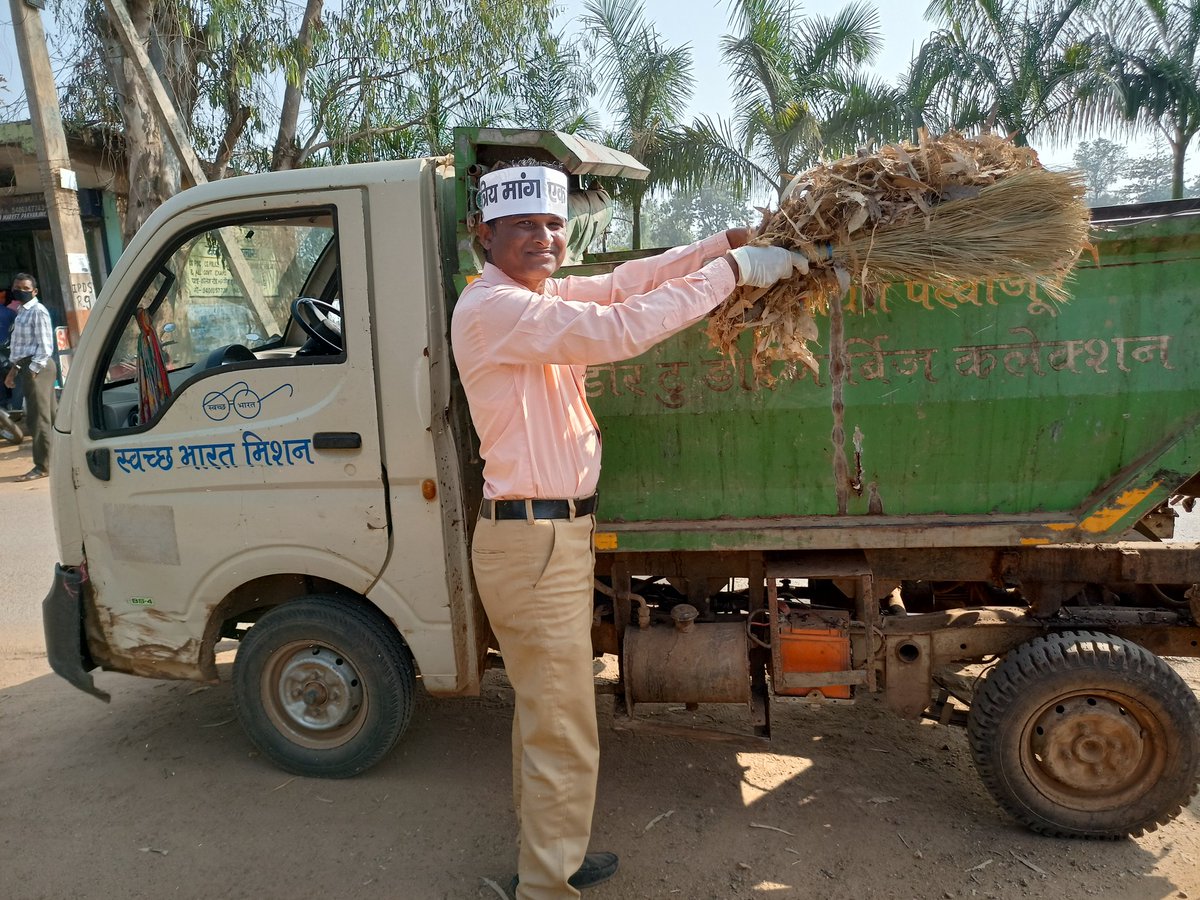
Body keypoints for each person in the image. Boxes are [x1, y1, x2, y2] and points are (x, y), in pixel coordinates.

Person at [450, 162, 805, 900]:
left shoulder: (535, 298)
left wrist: (719, 245)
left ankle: (553, 854)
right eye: (523, 226)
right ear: (484, 234)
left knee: (550, 714)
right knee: (561, 722)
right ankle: (546, 886)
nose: (544, 238)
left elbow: (622, 285)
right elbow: (620, 327)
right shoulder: (494, 308)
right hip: (534, 543)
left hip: (548, 539)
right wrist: (736, 272)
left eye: (554, 224)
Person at [4, 273, 55, 480]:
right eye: (17, 288)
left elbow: (45, 345)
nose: (21, 291)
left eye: (26, 288)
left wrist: (33, 370)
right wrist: (13, 371)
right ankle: (57, 460)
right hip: (28, 365)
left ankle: (43, 466)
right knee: (50, 416)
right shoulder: (21, 312)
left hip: (38, 366)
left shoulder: (37, 311)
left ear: (34, 291)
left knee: (38, 418)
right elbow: (21, 348)